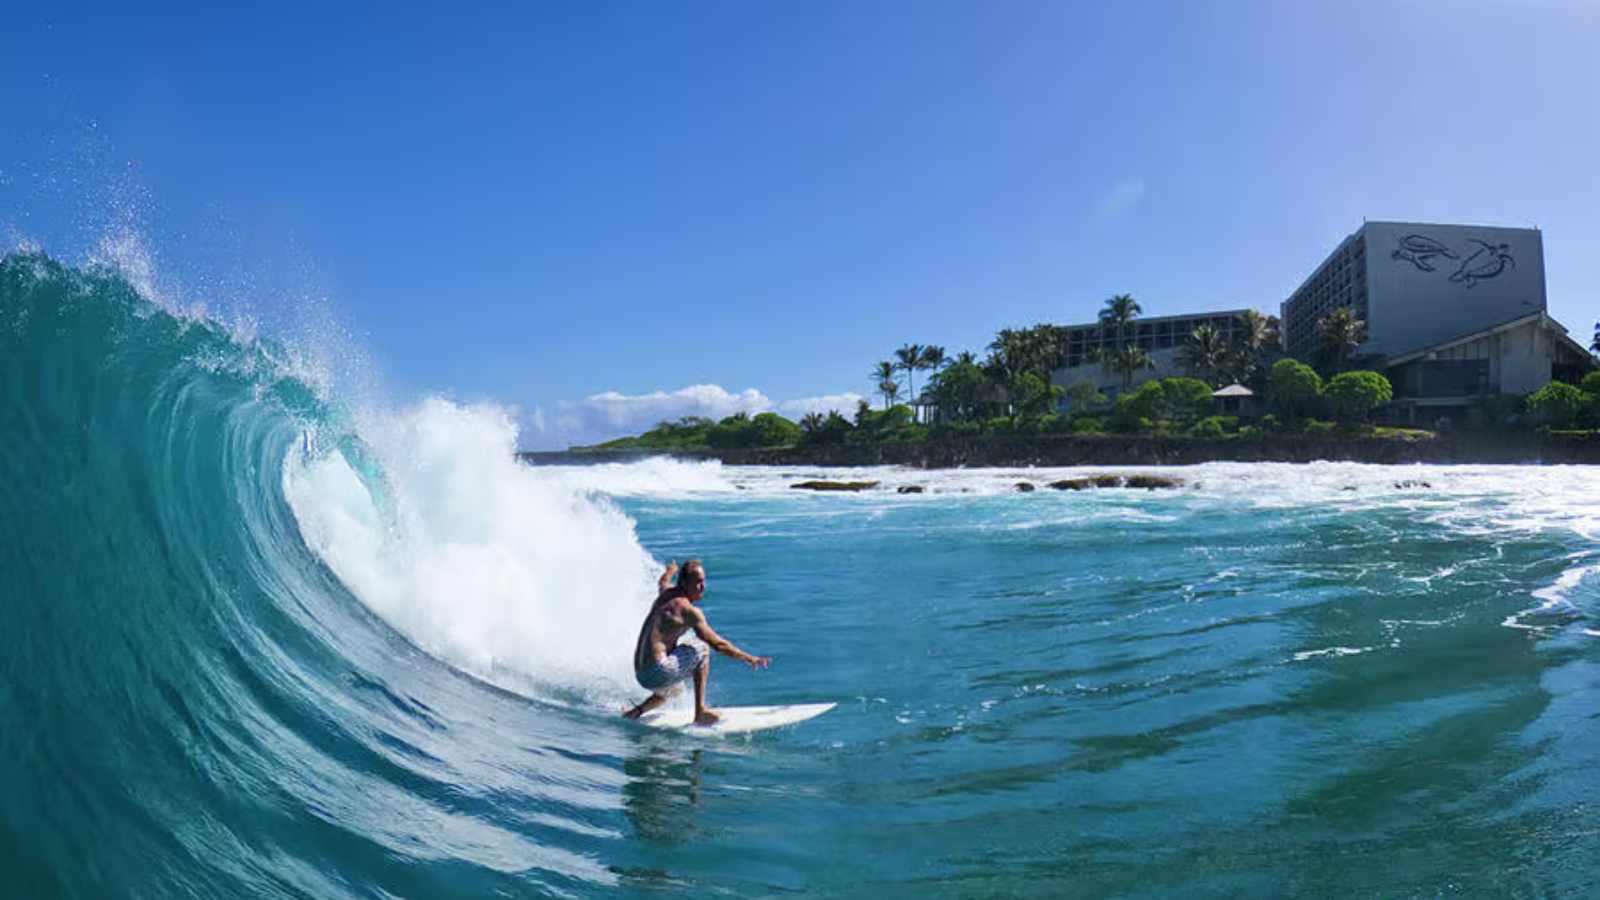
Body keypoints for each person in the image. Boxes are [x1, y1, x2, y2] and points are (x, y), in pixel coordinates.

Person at [622, 559, 770, 725]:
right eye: (698, 583)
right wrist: (749, 658)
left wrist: (670, 571)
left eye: (704, 581)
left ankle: (636, 711)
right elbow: (718, 645)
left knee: (675, 690)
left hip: (641, 674)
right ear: (685, 583)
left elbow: (663, 581)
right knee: (702, 648)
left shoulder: (666, 593)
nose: (703, 587)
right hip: (657, 671)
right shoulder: (688, 611)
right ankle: (700, 712)